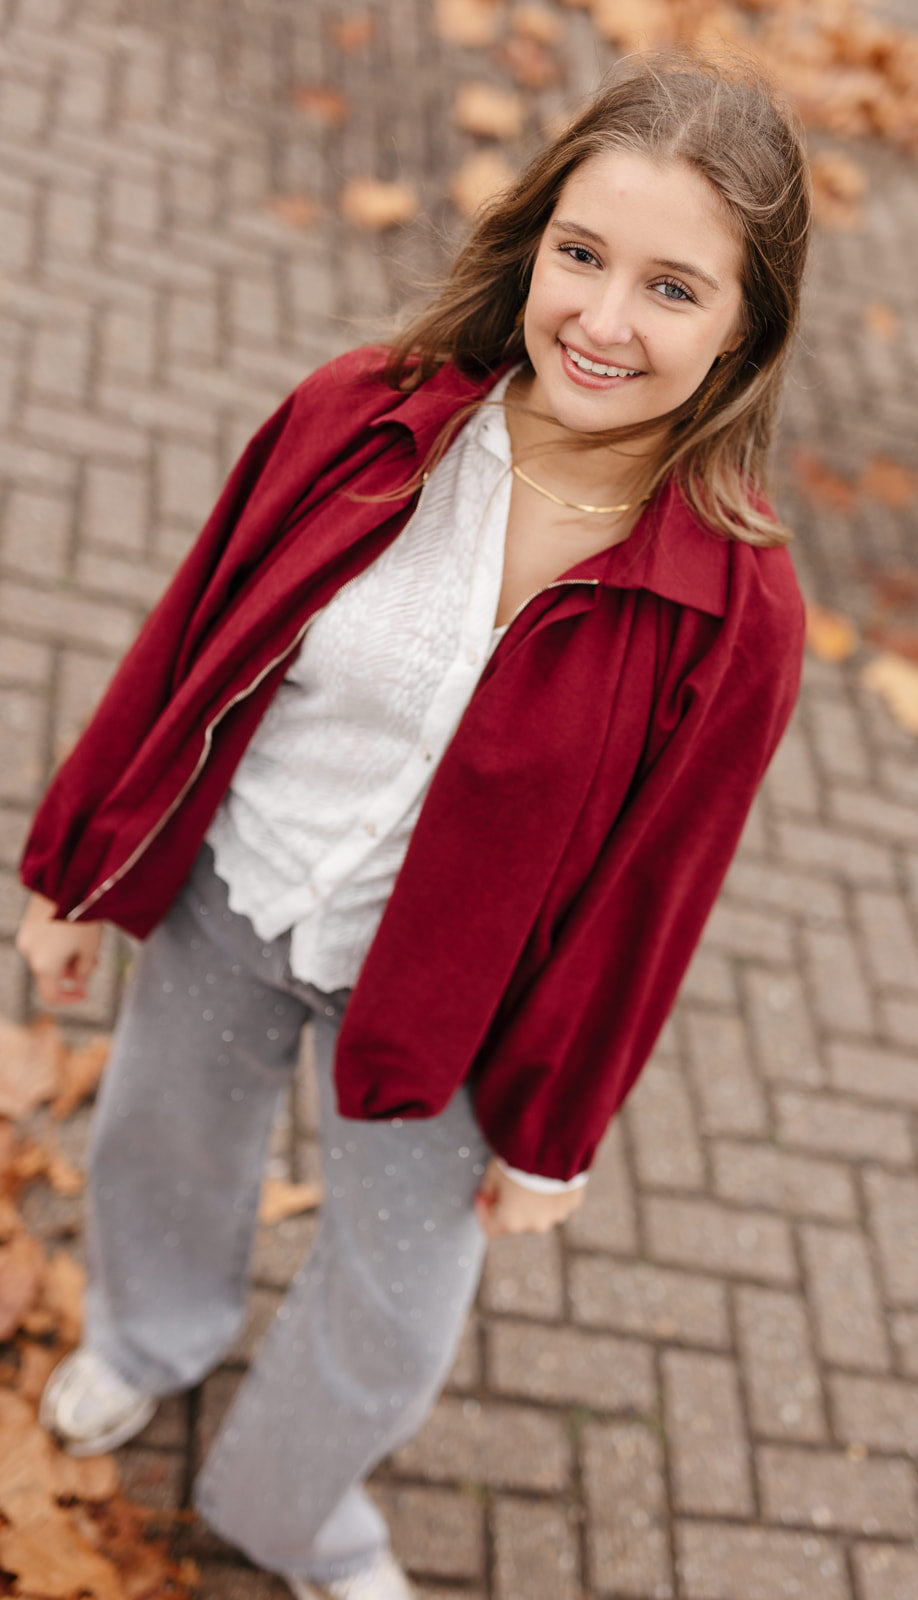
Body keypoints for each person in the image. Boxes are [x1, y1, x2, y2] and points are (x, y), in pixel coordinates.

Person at [15, 48, 811, 1600]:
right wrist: (70, 874)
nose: (602, 319)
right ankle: (147, 1338)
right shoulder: (361, 417)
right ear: (533, 241)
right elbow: (187, 642)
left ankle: (291, 1509)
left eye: (672, 288)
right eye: (582, 256)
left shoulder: (738, 608)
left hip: (446, 1005)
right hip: (236, 895)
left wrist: (555, 1132)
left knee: (397, 1303)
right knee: (165, 1149)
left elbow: (658, 891)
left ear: (745, 327)